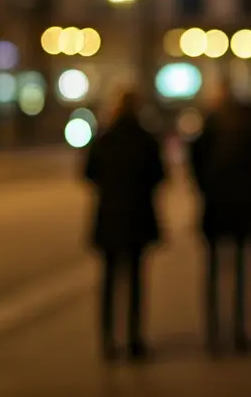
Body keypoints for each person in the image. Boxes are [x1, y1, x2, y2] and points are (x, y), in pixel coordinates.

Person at [82, 88, 166, 362]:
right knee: (135, 280)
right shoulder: (146, 139)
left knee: (108, 280)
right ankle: (134, 338)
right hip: (137, 216)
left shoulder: (105, 138)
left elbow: (88, 173)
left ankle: (107, 340)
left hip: (109, 216)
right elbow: (159, 175)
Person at [189, 80, 251, 354]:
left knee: (214, 273)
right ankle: (237, 329)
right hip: (239, 209)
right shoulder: (245, 133)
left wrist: (206, 190)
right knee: (239, 273)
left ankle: (214, 331)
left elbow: (196, 169)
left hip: (215, 209)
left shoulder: (207, 132)